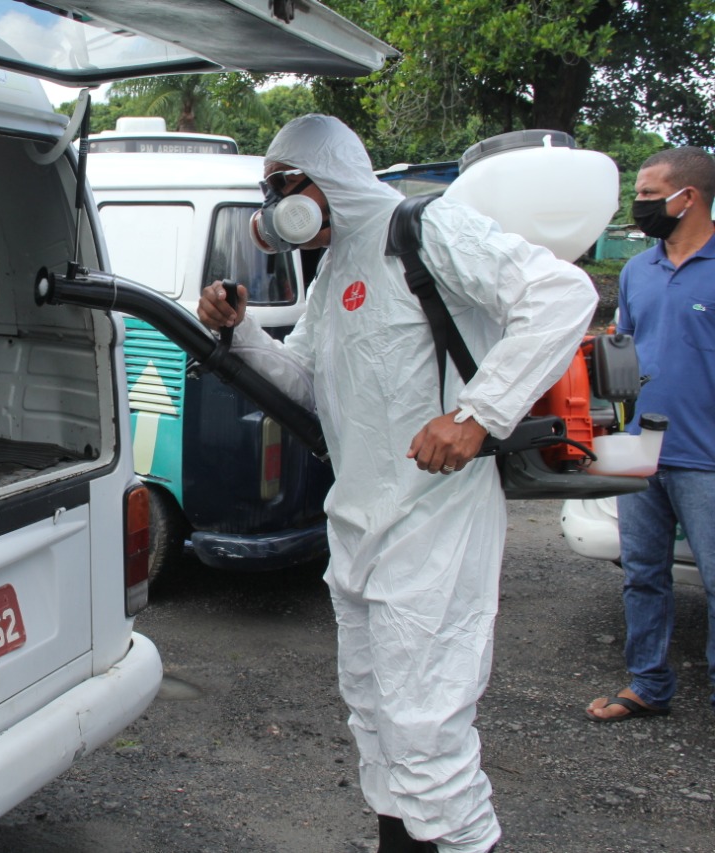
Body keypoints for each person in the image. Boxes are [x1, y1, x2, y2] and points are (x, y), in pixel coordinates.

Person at [197, 115, 596, 853]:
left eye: (283, 186)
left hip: (435, 520)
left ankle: (466, 842)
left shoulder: (424, 226)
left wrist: (476, 414)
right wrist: (241, 332)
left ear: (328, 177)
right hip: (360, 522)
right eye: (268, 191)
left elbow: (561, 294)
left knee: (426, 725)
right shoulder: (335, 268)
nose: (275, 207)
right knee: (375, 715)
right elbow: (306, 382)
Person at [585, 147, 715, 723]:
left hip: (706, 455)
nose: (638, 205)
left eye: (648, 194)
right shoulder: (638, 270)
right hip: (641, 448)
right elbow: (625, 352)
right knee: (642, 574)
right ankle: (647, 685)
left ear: (688, 197)